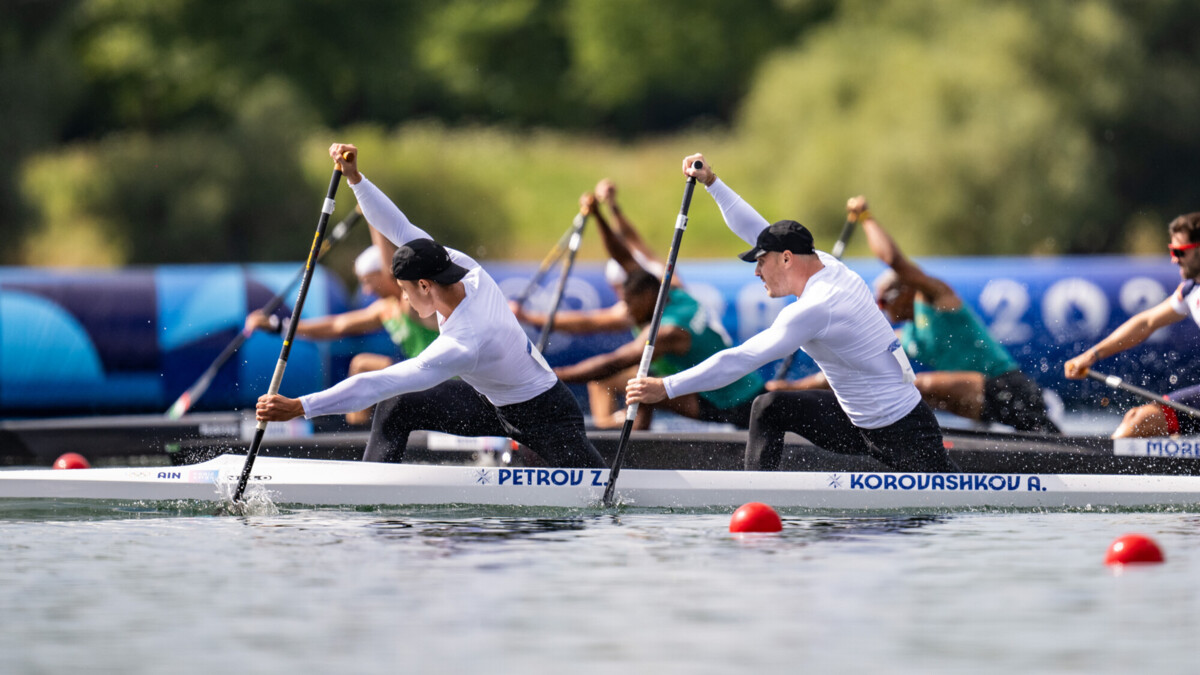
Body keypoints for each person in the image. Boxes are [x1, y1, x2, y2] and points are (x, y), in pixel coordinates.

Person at [255, 144, 606, 469]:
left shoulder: (465, 340)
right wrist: (355, 178)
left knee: (596, 493)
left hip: (545, 414)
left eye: (405, 291)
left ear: (424, 284)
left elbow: (380, 382)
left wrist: (301, 407)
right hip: (490, 402)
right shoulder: (458, 266)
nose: (404, 299)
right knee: (398, 405)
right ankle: (372, 488)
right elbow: (398, 225)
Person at [625, 154, 960, 473]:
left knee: (947, 507)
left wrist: (666, 387)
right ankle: (758, 499)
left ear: (786, 259)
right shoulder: (823, 262)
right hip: (854, 423)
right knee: (770, 407)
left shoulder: (817, 305)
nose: (757, 272)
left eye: (761, 261)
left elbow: (741, 359)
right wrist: (712, 182)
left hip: (902, 431)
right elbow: (756, 229)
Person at [767, 196, 1061, 434]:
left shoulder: (937, 298)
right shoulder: (904, 337)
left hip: (1011, 389)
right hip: (987, 403)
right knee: (892, 384)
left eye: (885, 300)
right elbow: (847, 370)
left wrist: (866, 217)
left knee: (918, 385)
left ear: (906, 289)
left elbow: (894, 261)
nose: (880, 308)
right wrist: (790, 388)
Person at [511, 180, 691, 428]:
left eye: (622, 289)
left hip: (697, 386)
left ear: (640, 289)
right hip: (679, 374)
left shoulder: (659, 291)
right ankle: (614, 429)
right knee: (620, 380)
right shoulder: (671, 287)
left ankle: (615, 434)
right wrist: (609, 208)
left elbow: (585, 324)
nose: (622, 298)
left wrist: (530, 321)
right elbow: (630, 242)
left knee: (623, 380)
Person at [246, 244, 440, 425]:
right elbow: (337, 325)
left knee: (362, 364)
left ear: (385, 274)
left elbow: (388, 255)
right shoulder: (385, 309)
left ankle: (356, 435)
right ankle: (357, 431)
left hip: (441, 377)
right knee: (363, 366)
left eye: (368, 282)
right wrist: (278, 326)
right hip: (418, 374)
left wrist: (374, 215)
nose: (367, 290)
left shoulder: (413, 303)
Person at [554, 266, 765, 429]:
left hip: (729, 403)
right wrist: (608, 215)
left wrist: (557, 376)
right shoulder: (679, 294)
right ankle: (619, 429)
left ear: (646, 297)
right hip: (745, 386)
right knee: (640, 381)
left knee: (638, 385)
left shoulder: (668, 331)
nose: (626, 311)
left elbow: (615, 362)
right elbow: (629, 253)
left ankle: (631, 442)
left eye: (629, 303)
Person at [1065, 212, 1200, 438]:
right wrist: (1091, 356)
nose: (1174, 259)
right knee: (1137, 422)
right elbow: (1145, 323)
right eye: (1171, 251)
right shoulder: (1189, 291)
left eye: (1180, 252)